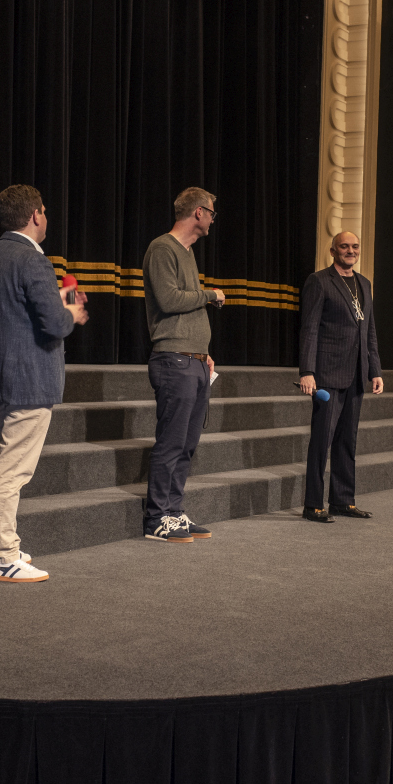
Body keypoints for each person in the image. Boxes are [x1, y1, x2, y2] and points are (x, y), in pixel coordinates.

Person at [0, 184, 89, 581]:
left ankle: (7, 546)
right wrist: (71, 311)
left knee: (10, 461)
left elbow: (12, 314)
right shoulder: (33, 260)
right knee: (12, 470)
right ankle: (2, 556)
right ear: (36, 214)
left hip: (2, 374)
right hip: (30, 378)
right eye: (45, 212)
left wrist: (58, 304)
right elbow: (54, 324)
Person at [140, 187, 226, 542]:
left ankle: (174, 512)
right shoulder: (163, 248)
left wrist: (202, 352)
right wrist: (210, 295)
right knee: (172, 442)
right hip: (173, 360)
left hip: (194, 360)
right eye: (212, 213)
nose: (213, 220)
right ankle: (156, 518)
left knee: (188, 444)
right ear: (199, 212)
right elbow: (169, 299)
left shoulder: (187, 252)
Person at [298, 231, 384, 522]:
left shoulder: (364, 283)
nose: (351, 251)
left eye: (355, 246)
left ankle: (343, 501)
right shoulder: (320, 281)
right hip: (327, 373)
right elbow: (309, 328)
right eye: (344, 246)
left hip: (357, 374)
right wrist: (307, 371)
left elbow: (369, 331)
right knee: (321, 441)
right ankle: (313, 504)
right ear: (333, 251)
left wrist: (375, 370)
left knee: (347, 441)